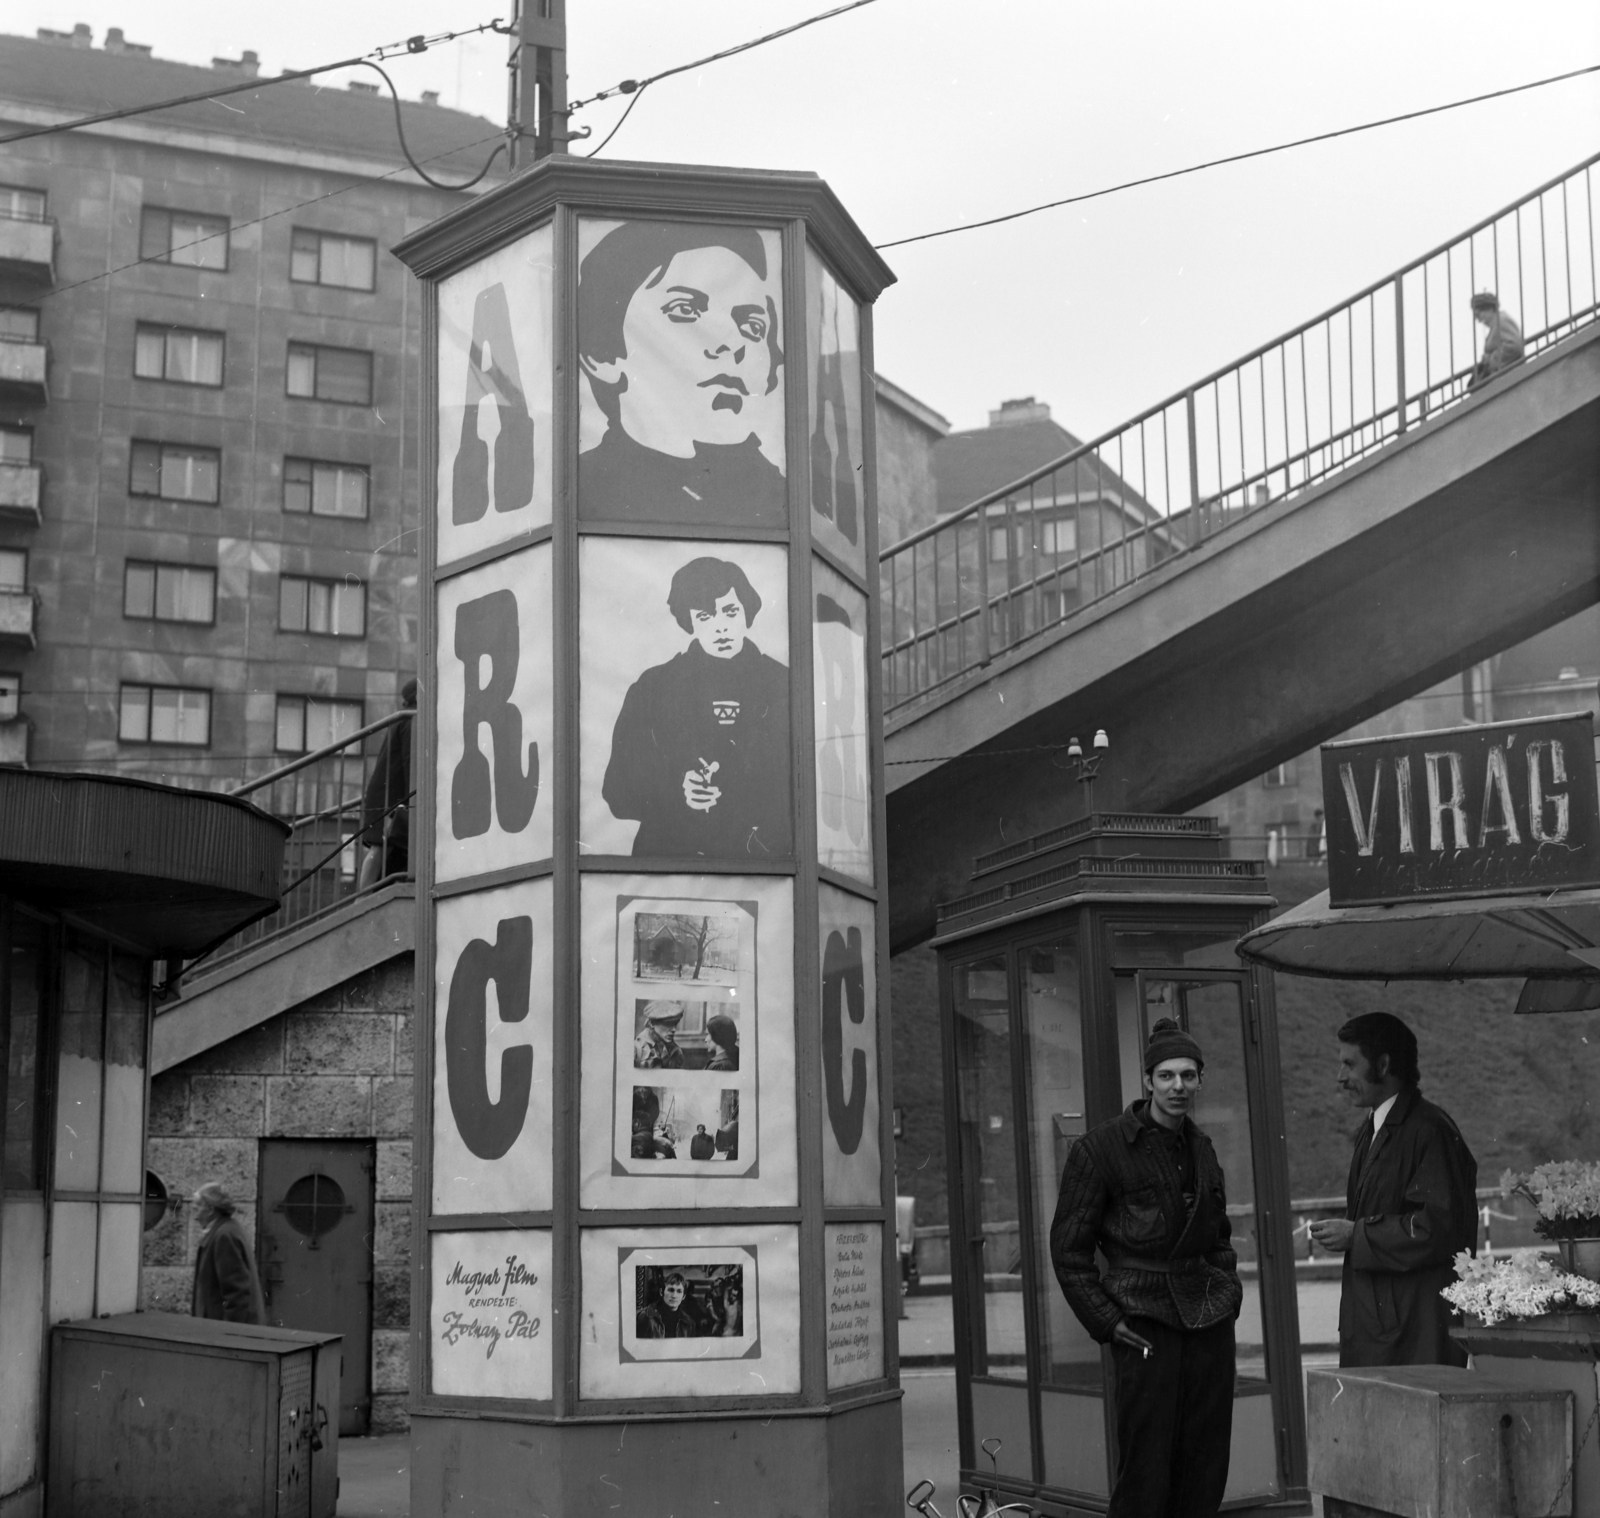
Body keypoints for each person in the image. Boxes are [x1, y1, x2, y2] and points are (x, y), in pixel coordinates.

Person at [1050, 1018, 1242, 1518]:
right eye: (1166, 1076)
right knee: (1146, 1467)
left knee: (1206, 1463)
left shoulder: (1202, 1148)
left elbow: (1219, 1235)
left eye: (1188, 1076)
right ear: (1148, 1081)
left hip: (1207, 1319)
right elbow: (1069, 1250)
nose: (1178, 1087)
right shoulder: (1100, 1149)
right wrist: (1109, 1323)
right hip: (1142, 1323)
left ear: (1200, 1080)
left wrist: (1228, 1292)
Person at [577, 220, 785, 526]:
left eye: (753, 327)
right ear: (601, 355)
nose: (732, 343)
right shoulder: (582, 493)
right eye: (685, 310)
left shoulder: (783, 503)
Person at [1309, 1012, 1478, 1368]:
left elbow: (1436, 1228)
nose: (1340, 1077)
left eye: (1349, 1064)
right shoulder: (1373, 1127)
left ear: (1383, 1064)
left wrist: (1357, 1235)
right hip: (1382, 1329)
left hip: (1412, 1337)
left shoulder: (1430, 1130)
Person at [602, 556, 791, 858]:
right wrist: (678, 789)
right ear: (688, 622)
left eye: (730, 612)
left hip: (763, 873)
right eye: (705, 617)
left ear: (747, 612)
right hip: (669, 869)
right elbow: (617, 791)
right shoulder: (653, 687)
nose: (720, 628)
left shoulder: (783, 685)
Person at [359, 678, 416, 886]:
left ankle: (363, 896)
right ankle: (362, 898)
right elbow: (412, 763)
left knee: (383, 847)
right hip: (389, 798)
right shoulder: (411, 721)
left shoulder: (402, 720)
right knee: (381, 846)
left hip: (384, 795)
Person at [191, 1182, 266, 1325]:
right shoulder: (226, 1230)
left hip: (225, 1331)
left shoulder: (224, 1236)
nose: (195, 1216)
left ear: (210, 1209)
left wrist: (228, 1334)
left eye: (197, 1207)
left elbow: (237, 1293)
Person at [1468, 292, 1524, 390]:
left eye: (1479, 314)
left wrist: (1489, 360)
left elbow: (1514, 347)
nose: (1479, 320)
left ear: (1489, 309)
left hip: (1509, 377)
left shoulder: (1502, 321)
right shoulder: (1497, 324)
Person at [636, 1272, 701, 1338]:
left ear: (683, 1296)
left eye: (679, 1291)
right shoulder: (646, 1317)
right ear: (661, 1292)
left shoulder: (688, 1323)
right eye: (671, 1290)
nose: (674, 1296)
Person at [634, 1003, 687, 1069]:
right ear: (652, 1023)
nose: (674, 1029)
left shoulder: (675, 1051)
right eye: (668, 1024)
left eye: (675, 1024)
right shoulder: (637, 1049)